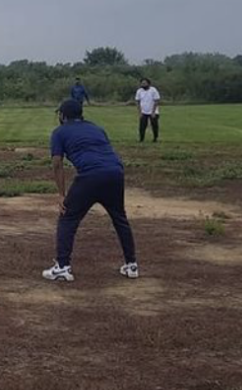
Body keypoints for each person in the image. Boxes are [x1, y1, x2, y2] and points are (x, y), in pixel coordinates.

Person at [42, 99, 138, 282]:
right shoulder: (97, 128)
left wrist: (61, 194)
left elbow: (57, 164)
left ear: (62, 116)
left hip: (90, 176)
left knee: (67, 217)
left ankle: (62, 266)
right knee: (120, 218)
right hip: (115, 173)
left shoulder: (59, 132)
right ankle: (131, 264)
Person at [133, 77, 161, 143]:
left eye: (144, 83)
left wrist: (153, 112)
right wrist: (140, 112)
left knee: (154, 125)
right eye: (142, 83)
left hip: (153, 111)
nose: (143, 84)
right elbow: (137, 101)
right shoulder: (139, 91)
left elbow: (156, 100)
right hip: (143, 112)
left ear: (148, 84)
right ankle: (141, 139)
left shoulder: (153, 90)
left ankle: (155, 138)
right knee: (142, 126)